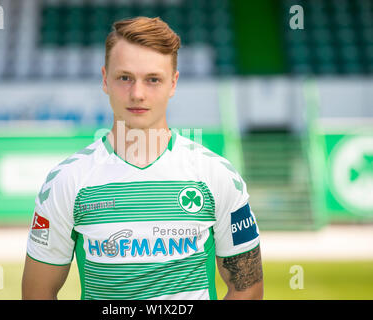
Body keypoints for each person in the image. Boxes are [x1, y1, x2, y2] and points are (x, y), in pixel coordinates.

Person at [22, 16, 263, 300]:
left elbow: (248, 286)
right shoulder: (67, 180)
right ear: (105, 79)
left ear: (173, 84)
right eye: (125, 78)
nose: (137, 94)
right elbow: (38, 293)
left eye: (153, 80)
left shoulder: (216, 175)